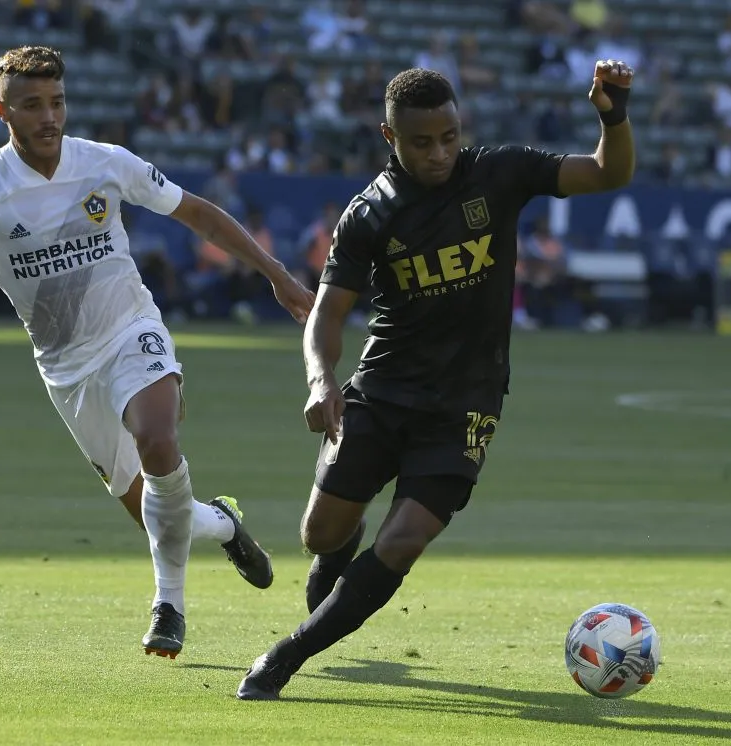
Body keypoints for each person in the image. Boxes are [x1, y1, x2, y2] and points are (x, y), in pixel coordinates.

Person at [0, 46, 315, 661]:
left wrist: (276, 273)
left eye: (57, 102)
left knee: (158, 440)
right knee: (157, 515)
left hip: (131, 330)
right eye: (32, 105)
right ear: (2, 111)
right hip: (66, 369)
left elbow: (196, 213)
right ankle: (222, 522)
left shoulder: (106, 164)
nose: (49, 117)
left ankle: (168, 605)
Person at [237, 60, 635, 700]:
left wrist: (612, 116)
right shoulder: (369, 215)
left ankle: (283, 658)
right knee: (321, 536)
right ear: (390, 137)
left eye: (449, 136)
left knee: (406, 540)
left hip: (466, 406)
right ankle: (339, 564)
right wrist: (320, 379)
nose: (440, 152)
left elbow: (609, 171)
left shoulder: (498, 172)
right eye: (422, 141)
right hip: (383, 388)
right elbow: (328, 313)